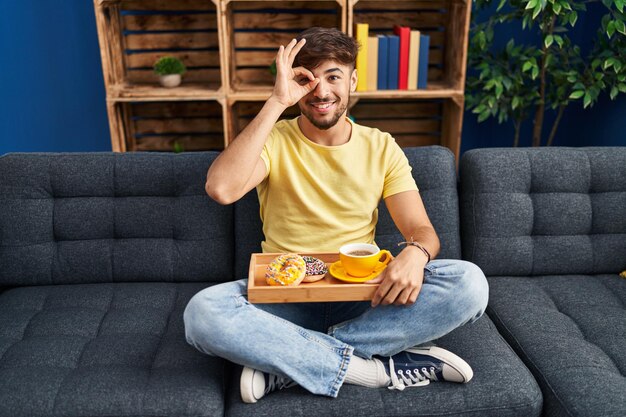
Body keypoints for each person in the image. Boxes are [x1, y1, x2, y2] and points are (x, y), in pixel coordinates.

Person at [184, 27, 488, 403]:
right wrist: (277, 101)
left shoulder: (381, 147)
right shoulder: (275, 139)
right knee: (203, 314)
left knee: (470, 283)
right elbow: (222, 189)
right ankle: (372, 369)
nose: (322, 92)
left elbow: (422, 230)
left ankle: (289, 363)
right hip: (283, 302)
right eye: (307, 80)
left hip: (366, 300)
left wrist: (416, 254)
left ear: (353, 80)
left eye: (333, 77)